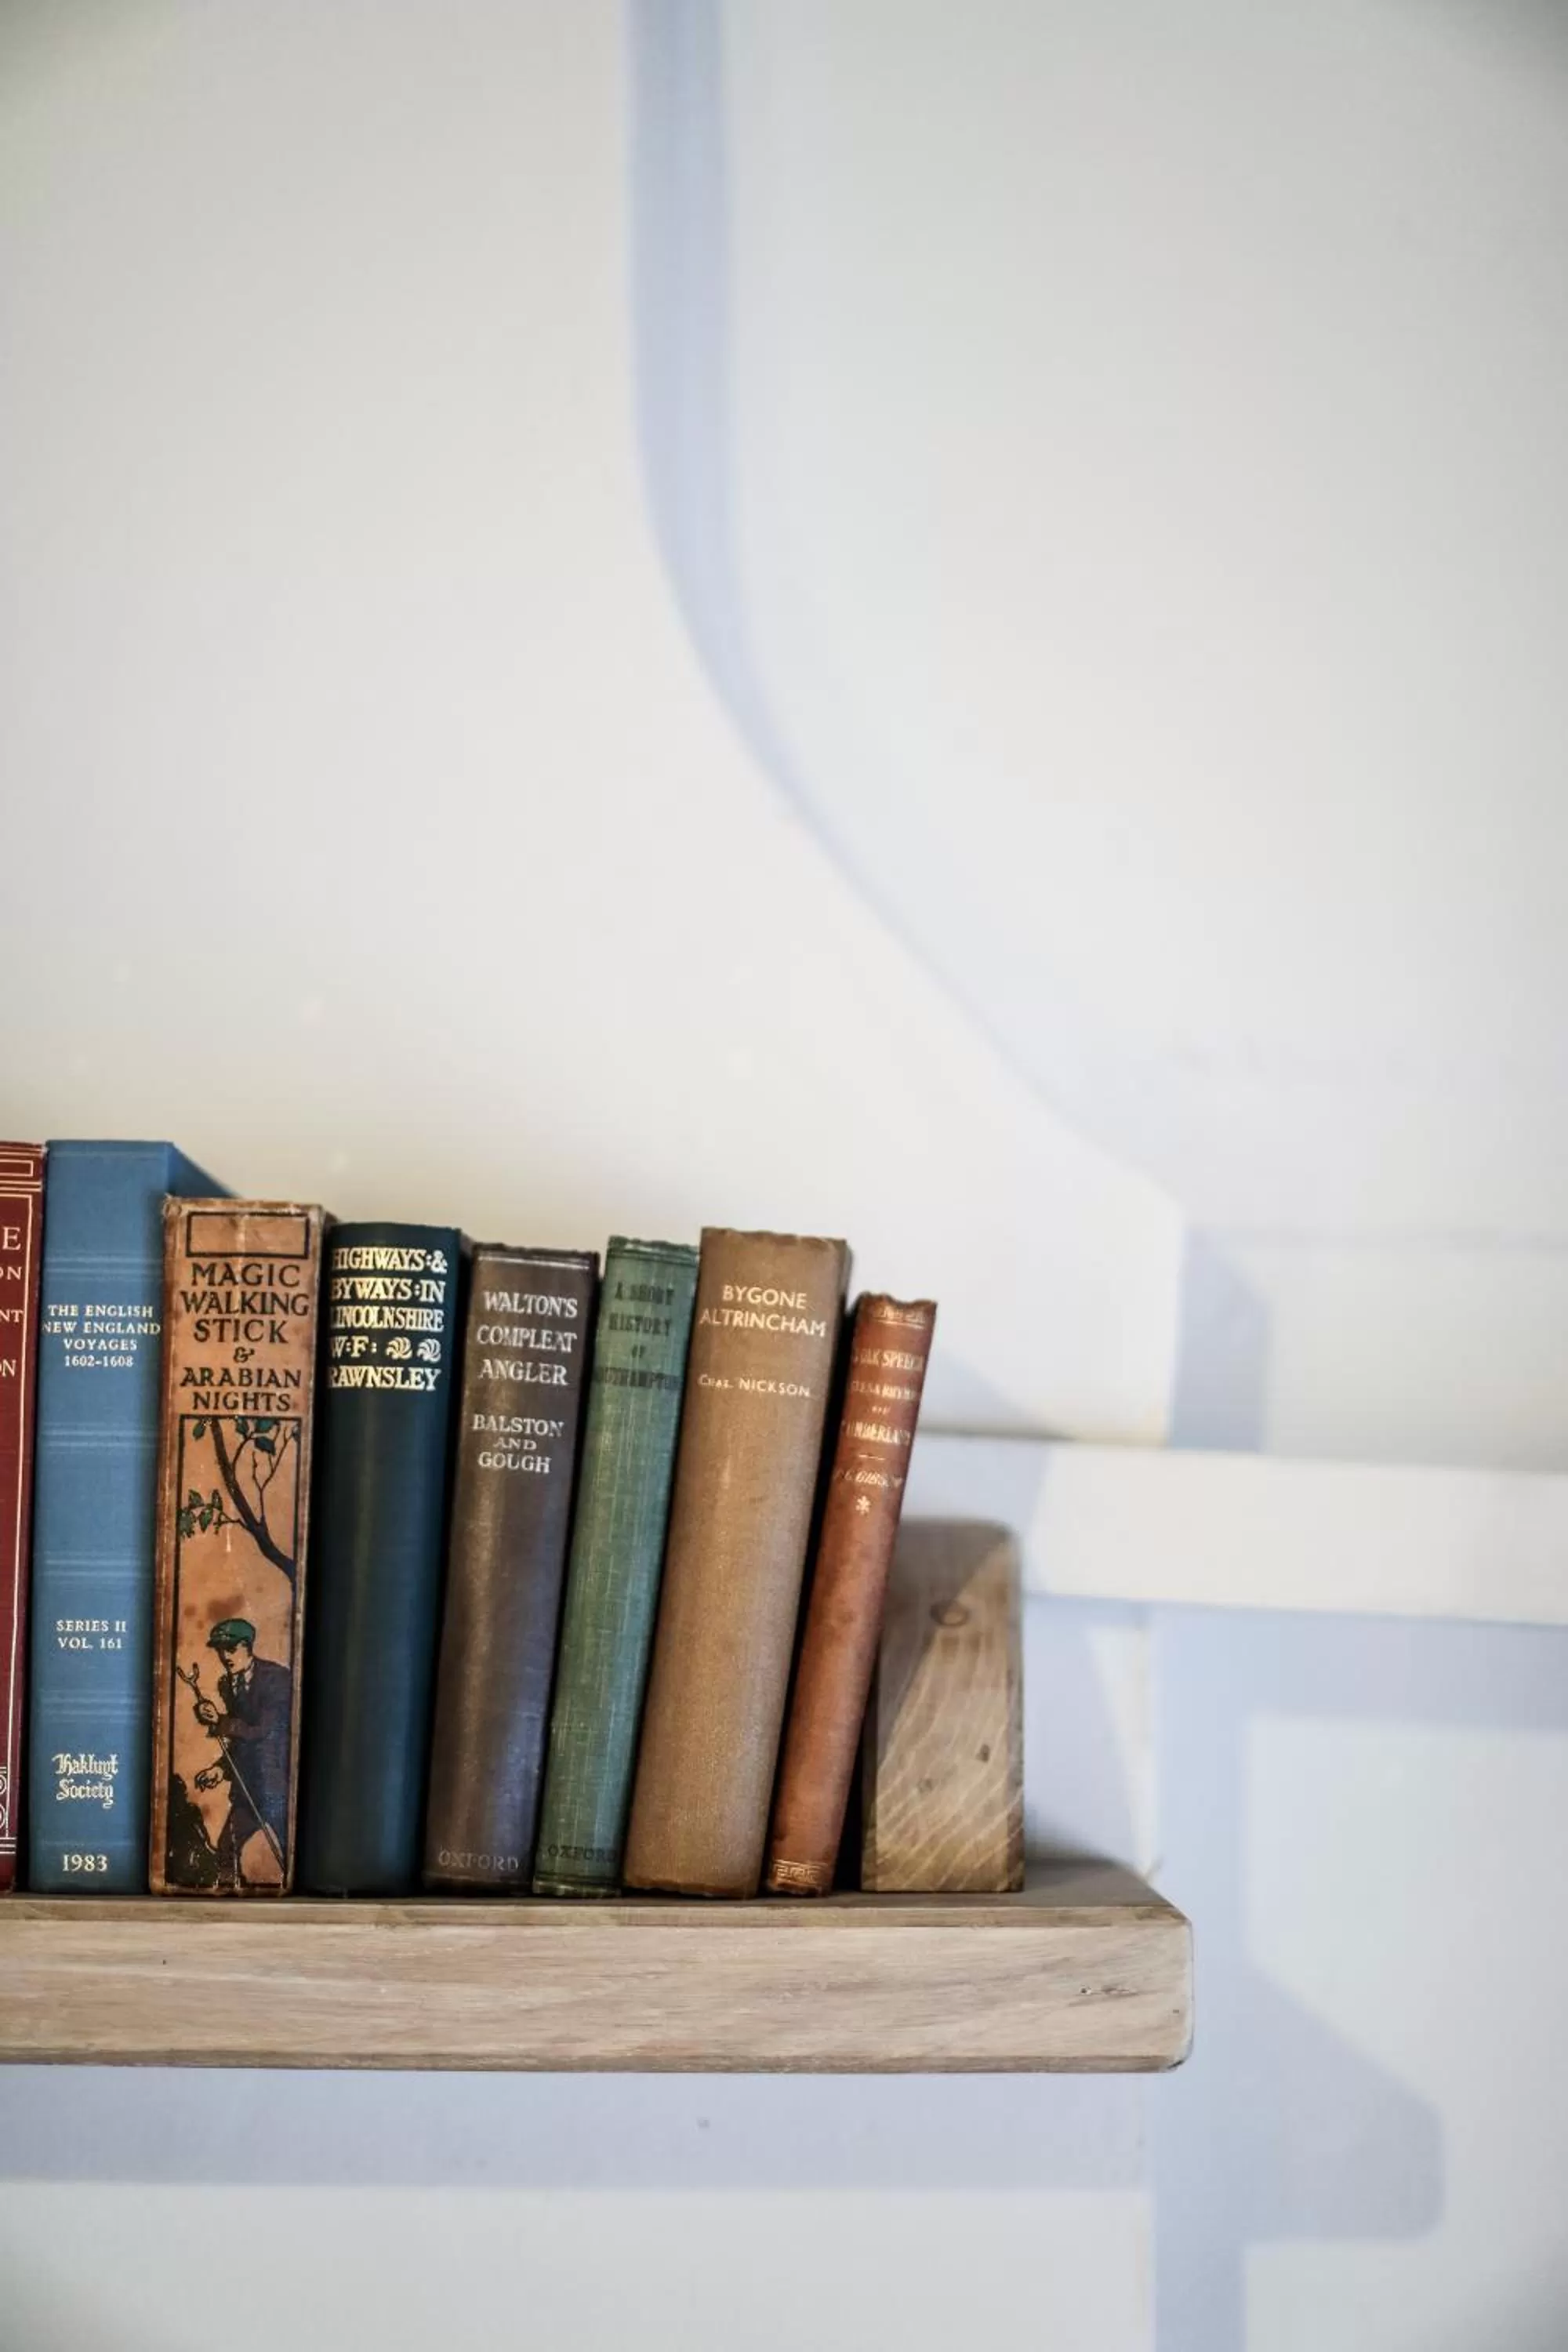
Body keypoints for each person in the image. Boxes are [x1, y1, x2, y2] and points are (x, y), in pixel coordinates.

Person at [192, 1617, 290, 1885]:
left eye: (231, 1649)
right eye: (220, 1650)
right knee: (227, 1847)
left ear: (247, 1646)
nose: (225, 1657)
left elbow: (263, 1732)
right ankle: (226, 1896)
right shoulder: (227, 1684)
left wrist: (221, 1722)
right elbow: (240, 1743)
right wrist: (220, 1770)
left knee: (289, 1851)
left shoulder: (277, 1679)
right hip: (246, 1789)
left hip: (276, 1788)